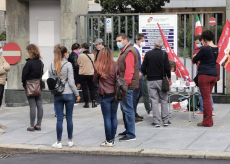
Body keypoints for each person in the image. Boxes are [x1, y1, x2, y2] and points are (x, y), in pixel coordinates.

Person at [49, 45, 81, 149]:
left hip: (57, 94)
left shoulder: (51, 64)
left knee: (59, 119)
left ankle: (59, 142)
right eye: (66, 52)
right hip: (68, 94)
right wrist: (77, 94)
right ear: (64, 54)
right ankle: (70, 140)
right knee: (69, 118)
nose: (67, 54)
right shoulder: (68, 64)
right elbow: (71, 82)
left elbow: (51, 80)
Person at [141, 38, 172, 127]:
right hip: (161, 81)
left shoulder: (148, 54)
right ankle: (165, 120)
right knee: (164, 100)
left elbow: (143, 67)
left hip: (151, 81)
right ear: (161, 46)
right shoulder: (164, 54)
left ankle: (156, 121)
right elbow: (167, 68)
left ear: (154, 44)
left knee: (154, 101)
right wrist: (169, 79)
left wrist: (146, 75)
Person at [93, 47, 119, 147]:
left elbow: (95, 80)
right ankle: (112, 139)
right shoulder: (115, 64)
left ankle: (109, 140)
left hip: (104, 95)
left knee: (107, 118)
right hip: (115, 94)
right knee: (114, 117)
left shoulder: (98, 65)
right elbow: (119, 76)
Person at [192, 30, 218, 127]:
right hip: (213, 75)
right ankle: (209, 120)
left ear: (204, 39)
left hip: (204, 75)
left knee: (205, 99)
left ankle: (207, 122)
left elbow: (194, 60)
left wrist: (197, 58)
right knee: (208, 97)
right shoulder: (217, 48)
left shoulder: (205, 49)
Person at [116, 33, 139, 142]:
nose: (118, 43)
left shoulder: (129, 51)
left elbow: (129, 71)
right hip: (124, 85)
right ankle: (128, 130)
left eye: (120, 41)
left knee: (128, 109)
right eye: (117, 41)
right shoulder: (124, 51)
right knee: (124, 108)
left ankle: (131, 134)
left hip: (126, 86)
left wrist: (125, 85)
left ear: (126, 40)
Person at [22, 44, 44, 132]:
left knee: (32, 105)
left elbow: (24, 75)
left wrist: (24, 84)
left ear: (30, 52)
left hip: (30, 85)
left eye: (27, 51)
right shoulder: (40, 62)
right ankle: (38, 125)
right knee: (39, 104)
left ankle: (31, 126)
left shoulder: (29, 63)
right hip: (39, 84)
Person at [77, 43, 97, 108]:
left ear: (83, 48)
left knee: (84, 89)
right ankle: (93, 102)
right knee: (92, 88)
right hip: (91, 73)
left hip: (82, 74)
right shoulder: (92, 55)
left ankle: (86, 103)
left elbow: (78, 63)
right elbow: (94, 63)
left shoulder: (80, 56)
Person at [133, 34, 145, 122]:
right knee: (135, 95)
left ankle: (134, 112)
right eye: (142, 40)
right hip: (137, 75)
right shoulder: (134, 50)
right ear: (137, 40)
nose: (143, 42)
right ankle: (133, 113)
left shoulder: (139, 49)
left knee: (139, 94)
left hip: (140, 74)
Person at [0, 43, 10, 133]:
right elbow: (4, 68)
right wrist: (3, 67)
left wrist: (2, 67)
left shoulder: (1, 56)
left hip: (2, 82)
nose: (1, 49)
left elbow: (8, 66)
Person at [92, 38, 105, 105]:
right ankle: (99, 99)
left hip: (103, 71)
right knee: (97, 86)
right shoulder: (94, 51)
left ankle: (102, 99)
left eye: (96, 45)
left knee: (102, 86)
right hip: (96, 70)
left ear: (101, 44)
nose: (95, 46)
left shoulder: (106, 51)